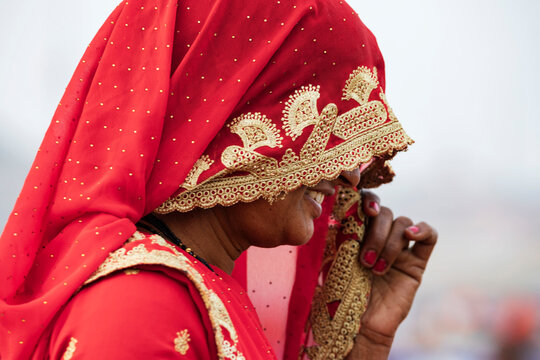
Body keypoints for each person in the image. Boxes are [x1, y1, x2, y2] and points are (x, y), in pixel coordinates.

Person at [0, 0, 437, 359]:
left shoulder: (205, 289)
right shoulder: (140, 307)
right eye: (321, 131)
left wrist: (367, 344)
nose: (349, 173)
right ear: (231, 116)